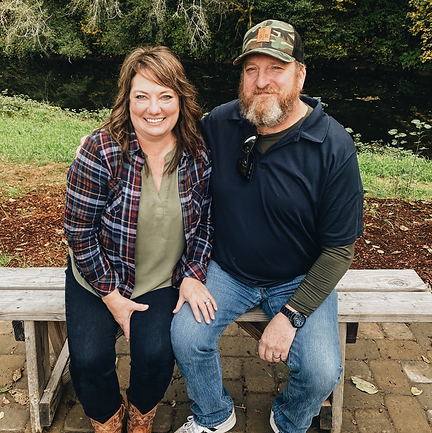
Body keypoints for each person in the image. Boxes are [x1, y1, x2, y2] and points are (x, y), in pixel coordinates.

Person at [171, 19, 364, 433]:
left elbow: (338, 250)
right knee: (186, 337)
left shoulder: (333, 146)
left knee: (320, 370)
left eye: (276, 68)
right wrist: (108, 145)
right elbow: (164, 148)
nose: (262, 81)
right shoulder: (220, 124)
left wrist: (291, 316)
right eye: (251, 69)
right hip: (226, 270)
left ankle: (289, 420)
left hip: (298, 277)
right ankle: (213, 416)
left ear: (300, 74)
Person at [64, 46, 216, 433]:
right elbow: (79, 232)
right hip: (101, 273)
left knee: (156, 354)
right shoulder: (100, 151)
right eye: (142, 96)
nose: (154, 108)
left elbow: (207, 222)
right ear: (126, 99)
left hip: (162, 277)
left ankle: (140, 418)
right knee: (89, 358)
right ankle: (108, 422)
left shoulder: (196, 152)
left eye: (166, 96)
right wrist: (112, 297)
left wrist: (194, 273)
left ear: (181, 99)